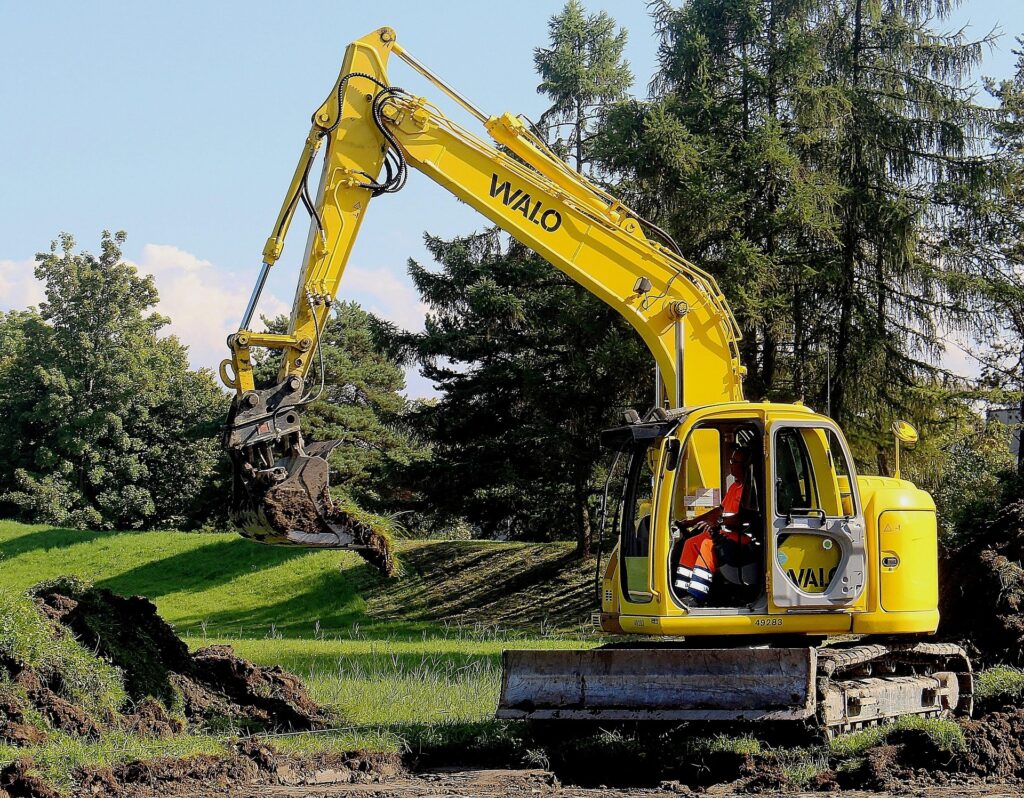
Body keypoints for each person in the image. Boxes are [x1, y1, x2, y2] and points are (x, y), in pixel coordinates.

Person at [674, 446, 751, 602]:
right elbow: (719, 511)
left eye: (734, 461)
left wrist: (718, 523)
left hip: (743, 538)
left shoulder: (749, 489)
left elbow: (744, 517)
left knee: (707, 545)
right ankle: (681, 591)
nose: (731, 464)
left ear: (745, 465)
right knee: (691, 542)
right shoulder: (734, 487)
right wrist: (691, 522)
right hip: (726, 534)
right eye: (731, 460)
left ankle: (697, 596)